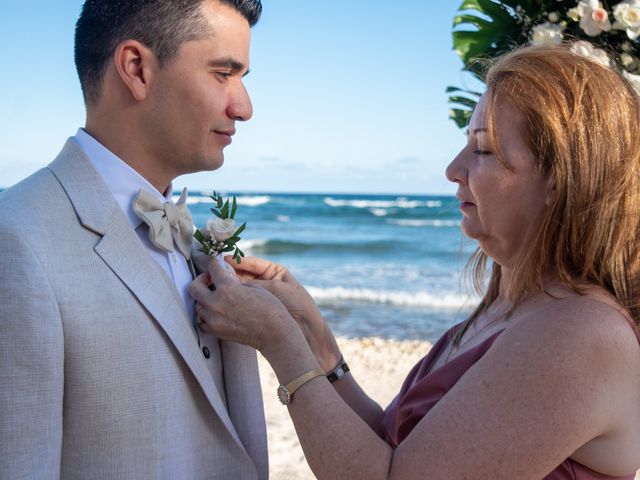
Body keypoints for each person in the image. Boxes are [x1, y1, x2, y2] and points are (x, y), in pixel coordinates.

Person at [190, 44, 640, 479]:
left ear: (560, 181)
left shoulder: (581, 335)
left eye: (483, 149)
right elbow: (393, 448)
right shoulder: (511, 306)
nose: (452, 168)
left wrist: (279, 340)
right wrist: (312, 333)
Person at [0, 1, 267, 479]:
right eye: (223, 74)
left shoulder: (196, 242)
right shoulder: (15, 238)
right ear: (136, 68)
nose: (243, 107)